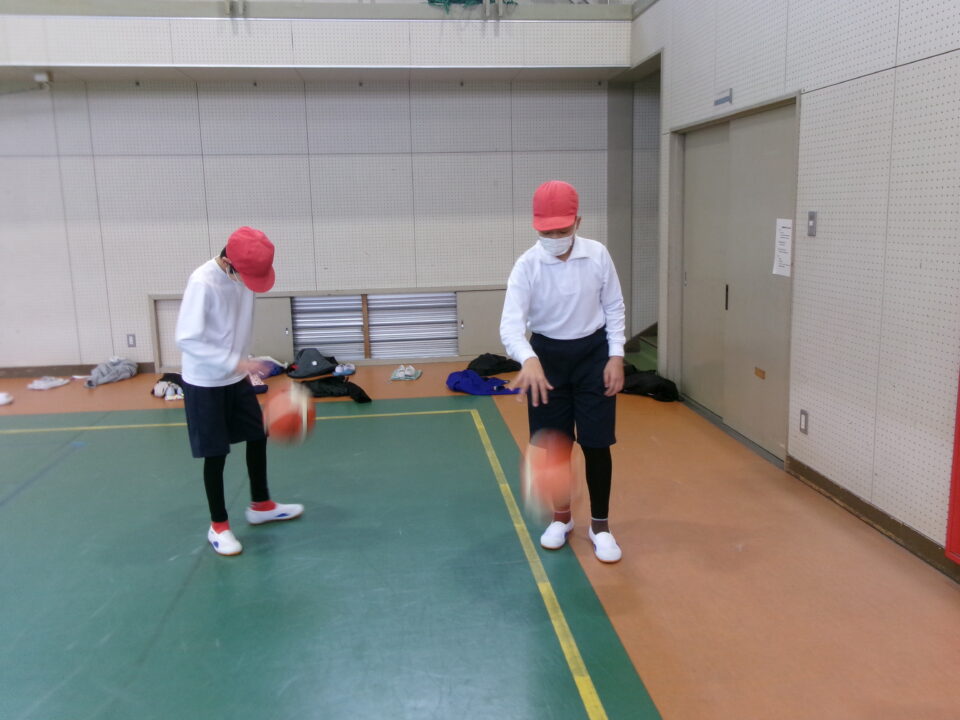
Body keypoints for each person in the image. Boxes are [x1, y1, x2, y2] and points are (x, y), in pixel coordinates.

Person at [500, 181, 626, 563]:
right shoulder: (527, 265)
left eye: (562, 230)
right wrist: (528, 358)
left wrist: (616, 355)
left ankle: (600, 527)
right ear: (535, 226)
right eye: (547, 231)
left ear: (578, 222)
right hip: (547, 359)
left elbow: (614, 307)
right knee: (553, 444)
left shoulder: (598, 255)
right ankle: (561, 518)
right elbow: (510, 325)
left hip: (593, 356)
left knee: (597, 443)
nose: (555, 238)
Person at [175, 227, 304, 556]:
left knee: (258, 433)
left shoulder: (242, 278)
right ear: (229, 262)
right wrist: (235, 361)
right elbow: (187, 339)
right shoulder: (202, 283)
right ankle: (218, 526)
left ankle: (261, 505)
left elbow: (233, 325)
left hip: (236, 376)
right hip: (205, 382)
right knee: (215, 454)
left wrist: (245, 362)